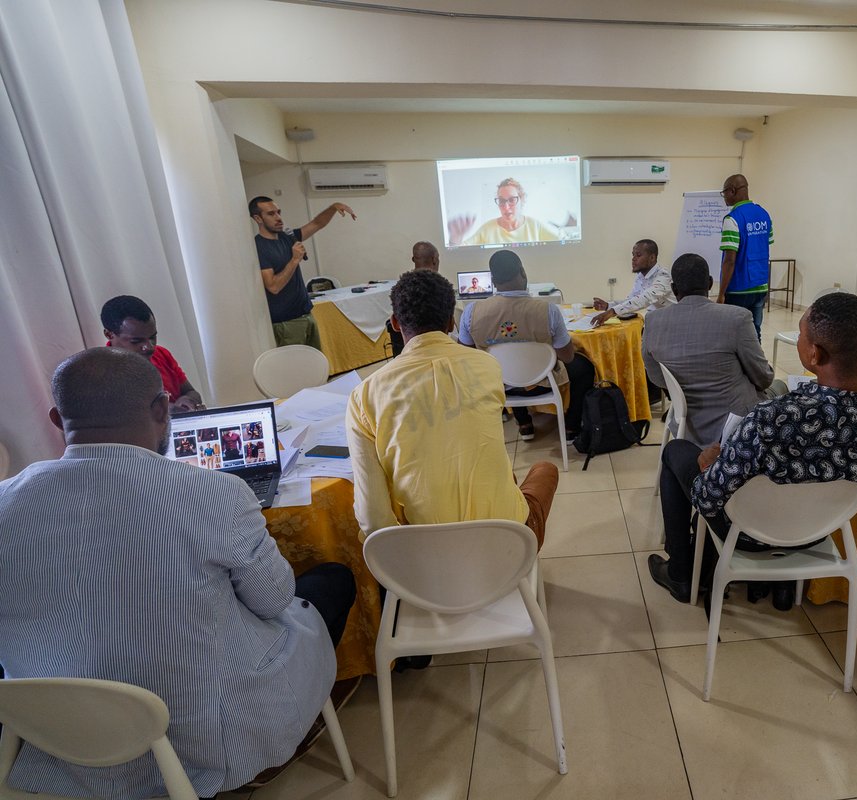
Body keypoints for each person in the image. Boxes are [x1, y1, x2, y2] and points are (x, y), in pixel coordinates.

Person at [0, 347, 356, 798]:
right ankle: (289, 731)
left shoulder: (4, 502)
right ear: (161, 408)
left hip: (60, 729)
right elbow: (272, 600)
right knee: (329, 582)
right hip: (201, 731)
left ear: (56, 419)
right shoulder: (215, 494)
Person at [647, 292, 857, 607]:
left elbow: (707, 498)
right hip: (823, 531)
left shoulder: (770, 420)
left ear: (815, 354)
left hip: (751, 533)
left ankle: (680, 575)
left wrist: (708, 466)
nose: (798, 339)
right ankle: (783, 587)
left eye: (801, 335)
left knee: (676, 450)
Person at [346, 270, 560, 547]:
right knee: (543, 470)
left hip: (428, 559)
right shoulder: (487, 366)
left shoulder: (364, 395)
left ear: (395, 324)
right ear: (450, 322)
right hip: (506, 544)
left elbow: (372, 518)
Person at [642, 253, 787, 444]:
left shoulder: (653, 321)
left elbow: (658, 378)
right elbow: (763, 377)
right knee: (781, 386)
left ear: (673, 288)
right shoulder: (737, 318)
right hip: (736, 425)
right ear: (710, 283)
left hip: (686, 424)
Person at [458, 250, 595, 442]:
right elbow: (568, 357)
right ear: (523, 272)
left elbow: (465, 353)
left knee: (505, 366)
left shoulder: (472, 312)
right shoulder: (548, 311)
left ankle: (524, 423)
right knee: (584, 368)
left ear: (493, 280)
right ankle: (571, 427)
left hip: (498, 386)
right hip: (543, 383)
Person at [249, 196, 357, 348]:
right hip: (286, 323)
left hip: (306, 314)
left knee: (316, 364)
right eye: (271, 214)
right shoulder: (259, 247)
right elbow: (273, 286)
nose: (278, 218)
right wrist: (294, 260)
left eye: (278, 212)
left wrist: (333, 207)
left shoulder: (287, 237)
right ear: (258, 218)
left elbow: (317, 224)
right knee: (296, 369)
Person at [101, 295, 203, 413]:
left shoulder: (161, 354)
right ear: (109, 335)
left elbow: (192, 392)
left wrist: (187, 399)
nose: (149, 347)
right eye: (136, 341)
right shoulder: (103, 373)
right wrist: (168, 410)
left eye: (152, 337)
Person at [718, 174, 774, 340]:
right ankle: (756, 364)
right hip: (761, 285)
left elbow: (729, 260)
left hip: (737, 288)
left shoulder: (732, 219)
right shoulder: (764, 214)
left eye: (724, 193)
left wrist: (721, 293)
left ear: (733, 191)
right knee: (754, 332)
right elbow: (766, 244)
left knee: (732, 334)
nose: (724, 197)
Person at [448, 177, 563, 246]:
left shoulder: (535, 226)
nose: (506, 207)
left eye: (512, 200)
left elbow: (561, 244)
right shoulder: (487, 229)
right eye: (501, 201)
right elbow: (459, 249)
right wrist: (455, 237)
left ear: (521, 200)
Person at [590, 239, 674, 327]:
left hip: (671, 325)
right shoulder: (640, 276)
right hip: (655, 322)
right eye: (633, 255)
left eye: (638, 255)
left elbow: (644, 299)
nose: (633, 259)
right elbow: (631, 300)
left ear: (652, 258)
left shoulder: (663, 276)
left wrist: (612, 311)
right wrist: (608, 306)